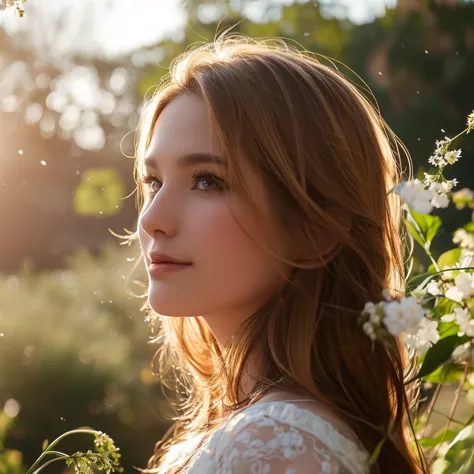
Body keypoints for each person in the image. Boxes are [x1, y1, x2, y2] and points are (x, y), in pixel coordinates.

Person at [125, 32, 429, 473]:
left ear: (314, 229)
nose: (152, 219)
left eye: (207, 180)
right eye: (153, 182)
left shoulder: (271, 445)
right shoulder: (268, 434)